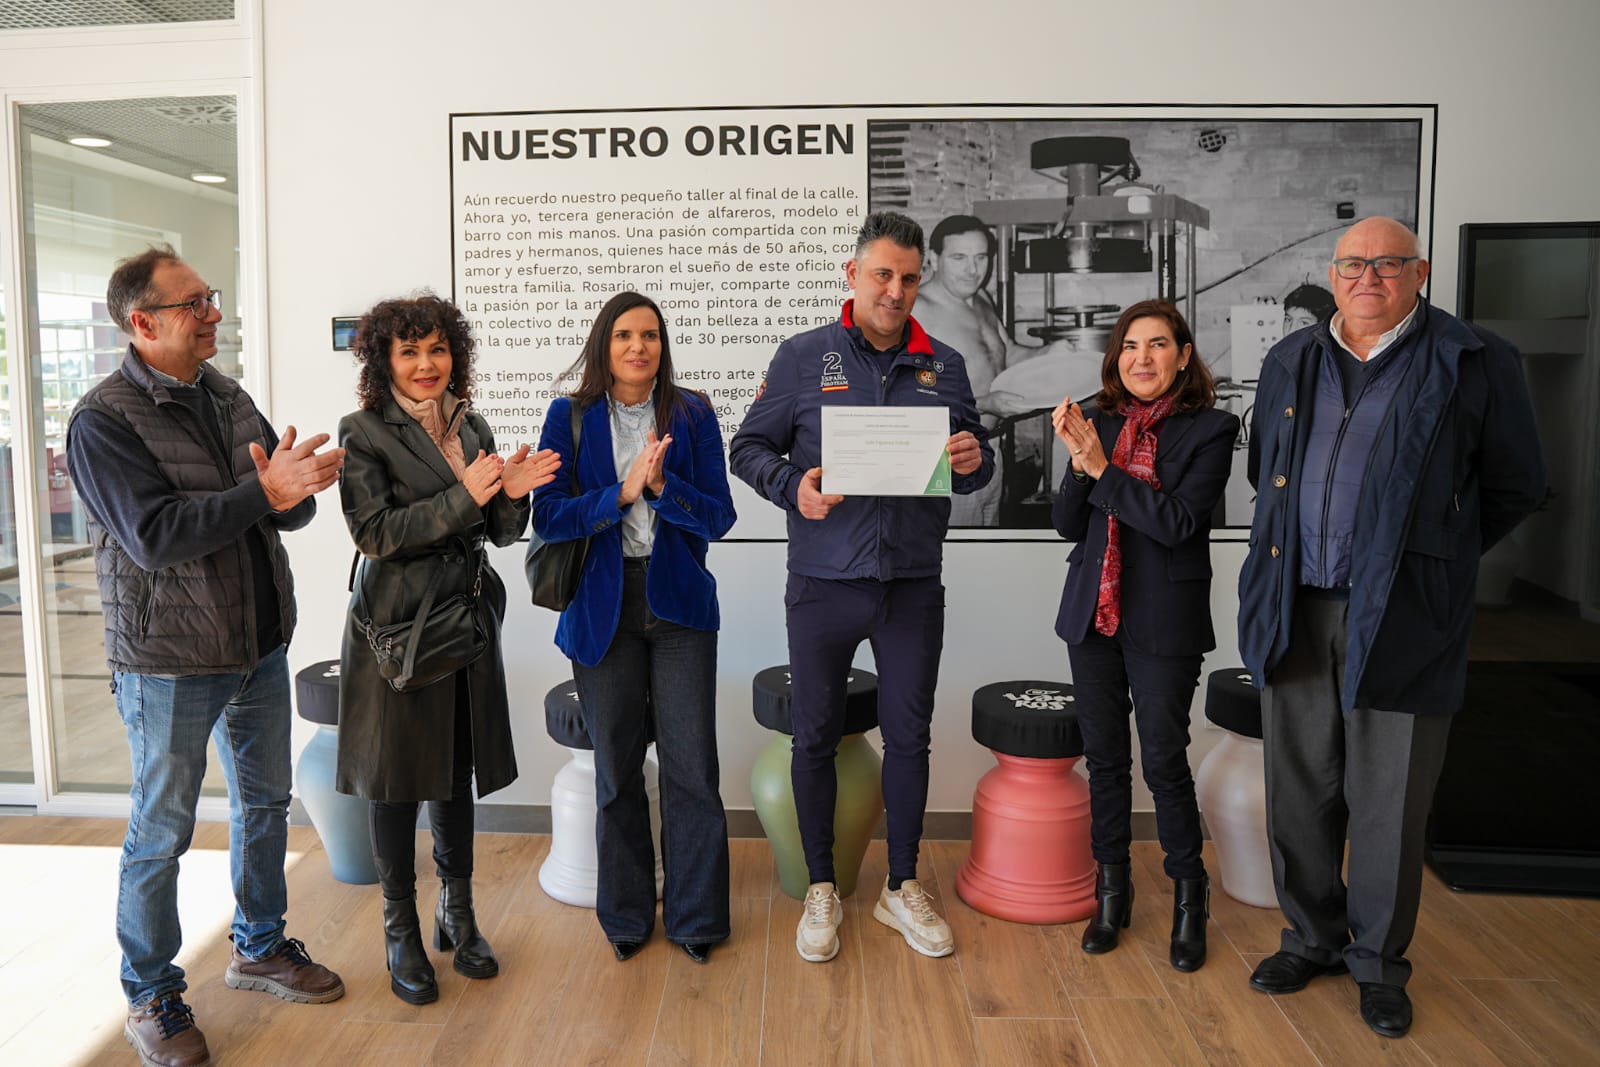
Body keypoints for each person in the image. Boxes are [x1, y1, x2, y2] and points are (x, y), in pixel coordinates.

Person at [1238, 217, 1544, 1037]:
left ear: (1420, 271)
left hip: (1407, 612)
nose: (1368, 276)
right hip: (1295, 604)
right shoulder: (1290, 359)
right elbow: (1261, 464)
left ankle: (1376, 962)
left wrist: (1429, 554)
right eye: (1353, 264)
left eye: (1388, 263)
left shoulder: (1473, 360)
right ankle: (1310, 939)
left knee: (1390, 798)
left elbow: (1517, 485)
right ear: (1331, 275)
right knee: (1299, 791)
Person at [66, 246, 347, 1067]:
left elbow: (268, 513)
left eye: (211, 298)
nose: (212, 312)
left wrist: (294, 493)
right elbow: (154, 537)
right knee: (162, 832)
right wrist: (267, 491)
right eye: (195, 303)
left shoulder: (229, 396)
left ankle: (259, 945)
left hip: (256, 642)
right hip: (167, 660)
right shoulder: (102, 421)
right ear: (142, 322)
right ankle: (151, 991)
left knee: (265, 807)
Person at [730, 211, 993, 963]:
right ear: (853, 275)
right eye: (883, 274)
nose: (897, 289)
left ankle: (902, 883)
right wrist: (792, 486)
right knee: (813, 735)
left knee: (909, 736)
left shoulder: (944, 362)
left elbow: (976, 463)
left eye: (910, 277)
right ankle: (822, 886)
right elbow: (745, 446)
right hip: (823, 582)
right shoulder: (803, 357)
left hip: (912, 582)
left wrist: (975, 458)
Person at [336, 294, 558, 1005]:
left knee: (453, 772)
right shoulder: (363, 432)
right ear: (385, 362)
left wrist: (512, 497)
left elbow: (495, 529)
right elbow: (375, 533)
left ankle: (456, 912)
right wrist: (465, 494)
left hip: (460, 626)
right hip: (398, 634)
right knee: (396, 781)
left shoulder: (473, 420)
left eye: (437, 349)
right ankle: (400, 925)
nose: (427, 364)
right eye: (410, 352)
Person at [532, 290, 736, 965]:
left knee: (692, 772)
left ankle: (697, 916)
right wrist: (619, 494)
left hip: (677, 606)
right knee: (617, 772)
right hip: (602, 607)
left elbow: (718, 516)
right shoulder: (570, 416)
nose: (638, 347)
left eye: (649, 335)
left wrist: (659, 491)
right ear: (604, 343)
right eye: (624, 335)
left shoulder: (693, 412)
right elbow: (550, 517)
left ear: (662, 344)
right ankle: (623, 914)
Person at [1049, 299, 1239, 972]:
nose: (1142, 358)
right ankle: (1113, 892)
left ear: (1184, 355)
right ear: (1115, 357)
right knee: (1104, 759)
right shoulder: (1096, 423)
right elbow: (1069, 525)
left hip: (1164, 622)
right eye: (1130, 346)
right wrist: (1077, 463)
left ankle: (1191, 898)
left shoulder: (1213, 428)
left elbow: (1180, 522)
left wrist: (1103, 468)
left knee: (1162, 759)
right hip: (1093, 617)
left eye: (1158, 345)